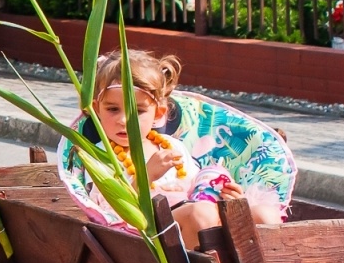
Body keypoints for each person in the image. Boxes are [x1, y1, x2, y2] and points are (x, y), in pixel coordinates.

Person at [83, 52, 273, 248]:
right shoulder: (101, 155)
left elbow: (199, 189)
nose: (123, 120)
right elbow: (108, 213)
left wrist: (226, 195)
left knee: (265, 215)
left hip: (196, 216)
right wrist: (145, 176)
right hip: (152, 236)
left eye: (138, 111)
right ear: (97, 109)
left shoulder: (170, 146)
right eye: (113, 109)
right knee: (200, 213)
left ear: (158, 113)